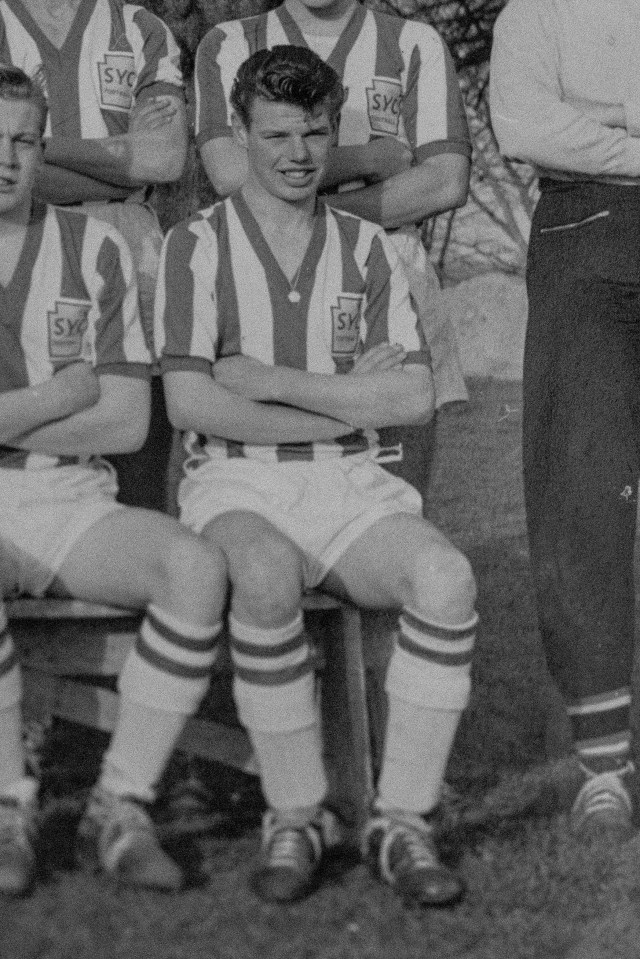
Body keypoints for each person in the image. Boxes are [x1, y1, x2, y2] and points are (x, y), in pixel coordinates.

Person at [156, 45, 478, 908]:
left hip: (351, 482)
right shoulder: (194, 246)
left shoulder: (371, 248)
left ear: (333, 130)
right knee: (261, 575)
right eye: (276, 135)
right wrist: (349, 399)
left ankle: (401, 819)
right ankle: (294, 812)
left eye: (313, 133)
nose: (297, 155)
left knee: (446, 578)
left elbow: (412, 395)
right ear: (238, 134)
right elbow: (193, 405)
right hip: (237, 482)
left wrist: (272, 381)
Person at [0, 65, 227, 896]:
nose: (7, 159)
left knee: (195, 567)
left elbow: (129, 421)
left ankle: (119, 802)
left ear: (43, 144)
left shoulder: (94, 247)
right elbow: (91, 401)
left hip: (69, 501)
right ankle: (8, 805)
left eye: (23, 140)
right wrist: (59, 393)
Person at [490, 0, 640, 835]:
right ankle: (604, 766)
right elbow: (527, 130)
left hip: (598, 208)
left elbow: (569, 127)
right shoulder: (531, 15)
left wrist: (603, 119)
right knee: (584, 495)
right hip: (586, 245)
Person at [194, 0, 471, 413]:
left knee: (399, 437)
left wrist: (307, 208)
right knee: (268, 438)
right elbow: (232, 172)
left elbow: (445, 182)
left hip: (391, 259)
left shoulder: (414, 42)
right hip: (265, 260)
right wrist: (367, 159)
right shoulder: (230, 41)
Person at [0, 0, 189, 510]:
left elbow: (165, 158)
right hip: (16, 235)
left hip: (129, 240)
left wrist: (40, 148)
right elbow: (138, 158)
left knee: (135, 451)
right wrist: (122, 151)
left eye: (26, 140)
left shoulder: (141, 28)